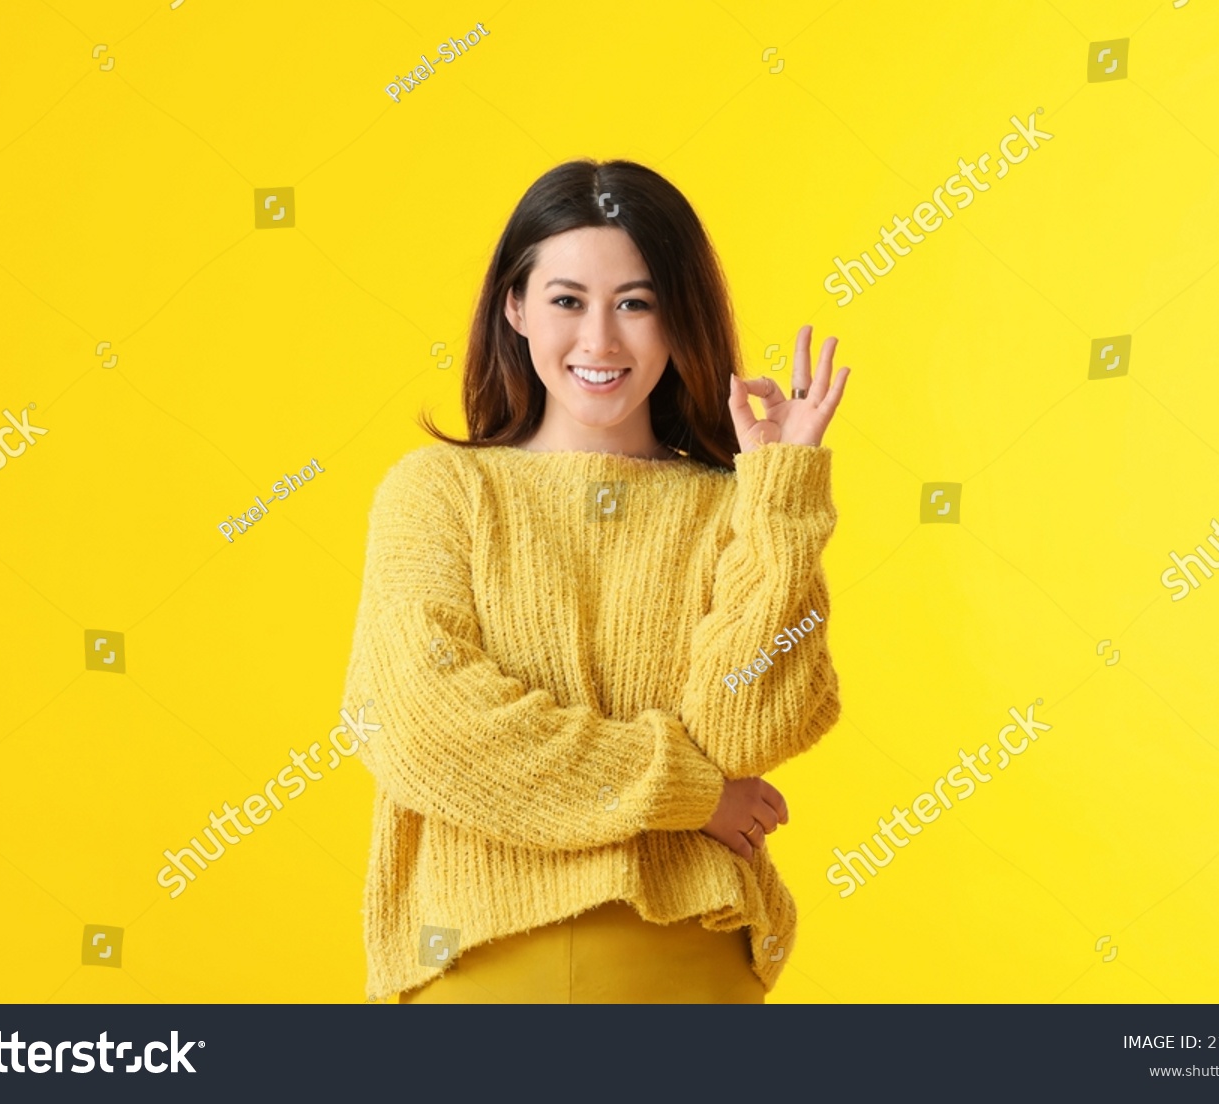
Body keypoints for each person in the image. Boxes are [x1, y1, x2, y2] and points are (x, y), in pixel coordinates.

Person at [344, 158, 850, 1003]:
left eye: (637, 304)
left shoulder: (736, 510)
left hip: (688, 971)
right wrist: (693, 792)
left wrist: (780, 494)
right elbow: (422, 727)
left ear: (677, 316)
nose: (601, 342)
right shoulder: (440, 493)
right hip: (480, 968)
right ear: (515, 306)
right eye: (568, 300)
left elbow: (750, 728)